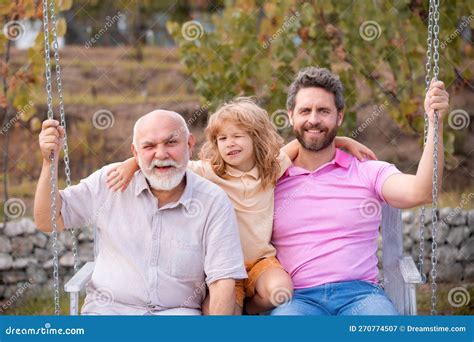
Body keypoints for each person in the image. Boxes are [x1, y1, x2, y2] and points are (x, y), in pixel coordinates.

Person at [106, 98, 377, 314]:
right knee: (218, 315)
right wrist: (131, 164)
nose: (230, 144)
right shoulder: (209, 172)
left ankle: (250, 309)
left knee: (281, 291)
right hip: (223, 267)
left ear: (256, 138)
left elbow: (301, 144)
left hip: (260, 260)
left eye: (238, 136)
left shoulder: (271, 168)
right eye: (222, 139)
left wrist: (342, 140)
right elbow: (166, 161)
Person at [270, 67, 449, 315]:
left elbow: (422, 192)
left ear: (339, 117)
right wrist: (339, 140)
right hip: (297, 300)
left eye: (323, 111)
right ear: (290, 116)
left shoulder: (367, 171)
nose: (313, 119)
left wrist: (435, 123)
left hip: (361, 297)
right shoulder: (273, 178)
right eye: (305, 111)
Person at [34, 110, 247, 315]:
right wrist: (48, 163)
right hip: (109, 313)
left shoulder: (213, 202)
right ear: (135, 153)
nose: (161, 154)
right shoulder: (109, 182)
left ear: (190, 144)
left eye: (171, 142)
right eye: (149, 146)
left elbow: (222, 281)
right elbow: (49, 220)